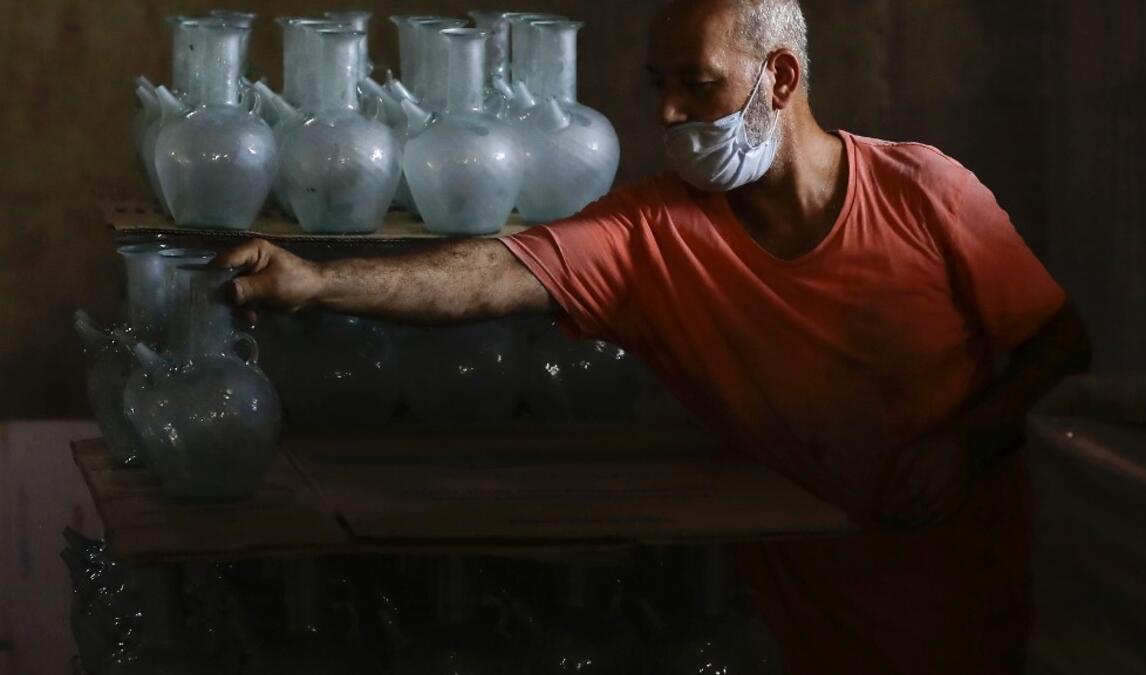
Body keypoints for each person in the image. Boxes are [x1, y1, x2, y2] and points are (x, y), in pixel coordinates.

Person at [217, 0, 1091, 671]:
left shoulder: (924, 192)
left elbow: (1061, 346)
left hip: (964, 619)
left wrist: (966, 442)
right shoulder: (653, 232)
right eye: (656, 85)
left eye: (696, 84)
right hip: (794, 633)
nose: (668, 113)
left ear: (779, 80)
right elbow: (492, 272)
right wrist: (316, 280)